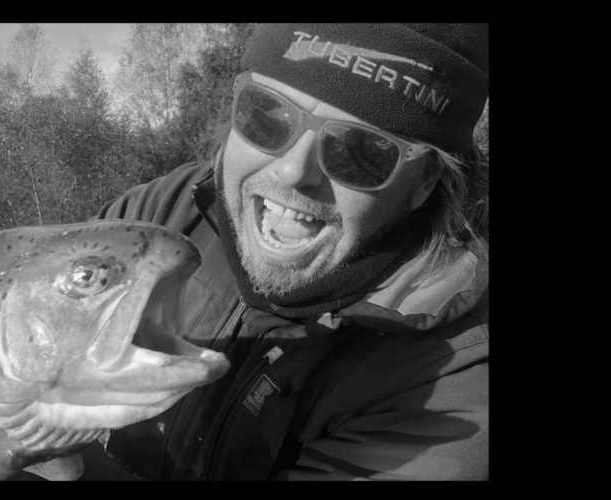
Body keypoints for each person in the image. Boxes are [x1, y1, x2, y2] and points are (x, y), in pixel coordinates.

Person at [84, 23, 489, 481]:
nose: (294, 171)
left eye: (359, 151)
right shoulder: (163, 214)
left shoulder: (450, 383)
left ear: (424, 182)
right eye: (267, 115)